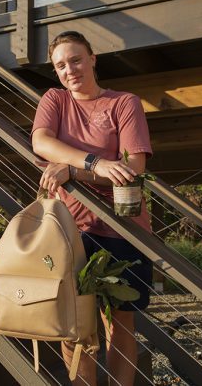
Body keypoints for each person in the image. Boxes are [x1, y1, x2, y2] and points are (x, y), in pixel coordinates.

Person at [32, 30, 152, 386]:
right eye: (60, 65)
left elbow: (135, 170)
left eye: (76, 59)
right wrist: (96, 164)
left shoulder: (124, 104)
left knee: (121, 321)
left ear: (93, 59)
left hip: (122, 226)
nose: (69, 70)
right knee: (74, 321)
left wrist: (72, 170)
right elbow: (41, 142)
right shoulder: (55, 100)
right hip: (69, 230)